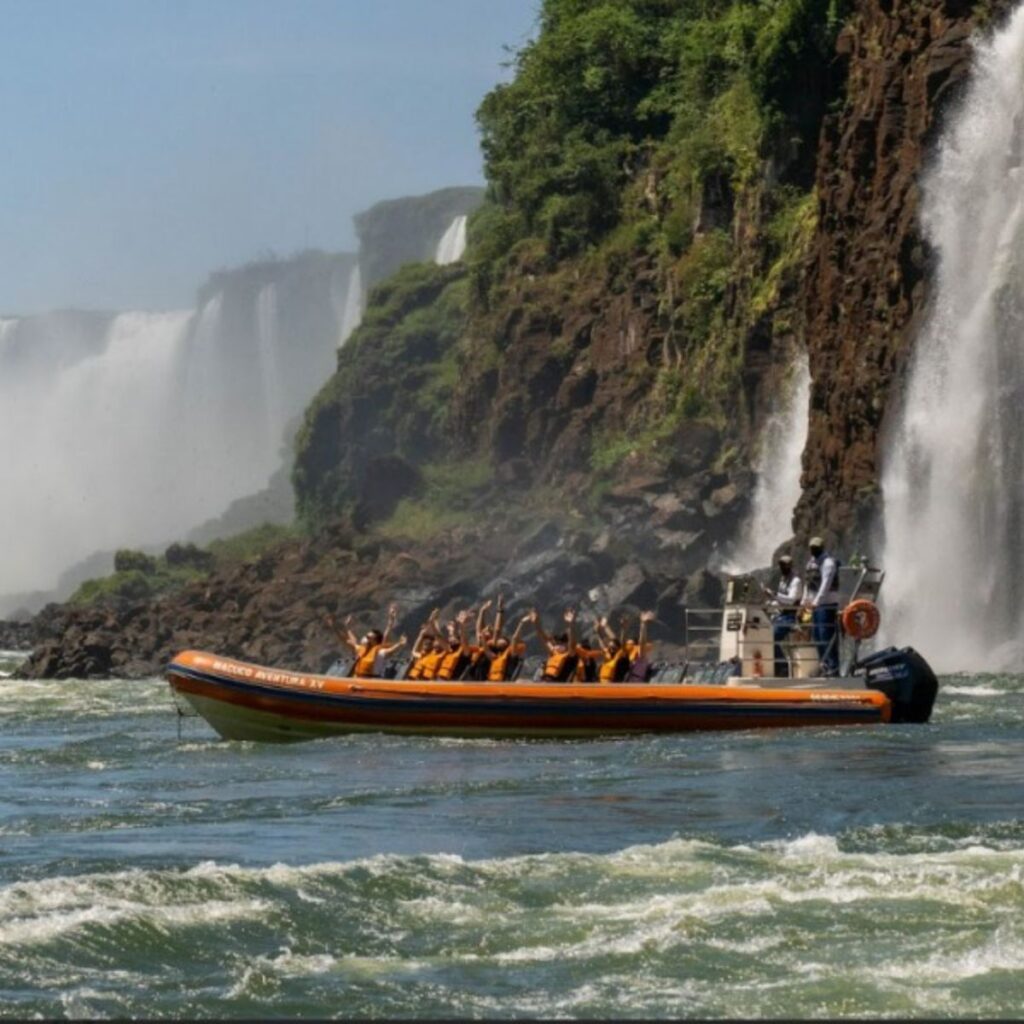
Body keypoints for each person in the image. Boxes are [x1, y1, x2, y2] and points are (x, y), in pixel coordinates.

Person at [323, 603, 407, 678]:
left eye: (369, 637)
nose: (366, 638)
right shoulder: (361, 649)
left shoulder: (380, 652)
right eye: (367, 636)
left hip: (371, 680)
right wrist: (335, 628)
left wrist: (399, 643)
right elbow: (346, 641)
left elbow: (387, 639)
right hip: (357, 680)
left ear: (374, 641)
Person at [804, 536, 840, 676]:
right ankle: (824, 664)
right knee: (817, 636)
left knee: (826, 634)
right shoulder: (811, 563)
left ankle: (833, 666)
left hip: (827, 605)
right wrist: (804, 601)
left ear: (822, 547)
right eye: (812, 547)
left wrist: (816, 601)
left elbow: (826, 584)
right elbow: (808, 584)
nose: (813, 549)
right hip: (815, 606)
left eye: (816, 547)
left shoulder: (828, 563)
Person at [764, 554, 802, 678]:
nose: (781, 567)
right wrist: (770, 603)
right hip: (781, 615)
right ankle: (774, 665)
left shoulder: (796, 581)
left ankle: (783, 667)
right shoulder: (783, 579)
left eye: (783, 565)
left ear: (789, 566)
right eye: (780, 565)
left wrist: (774, 594)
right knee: (764, 633)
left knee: (771, 637)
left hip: (791, 617)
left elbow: (791, 600)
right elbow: (781, 600)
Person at [530, 608, 578, 682]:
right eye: (556, 644)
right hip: (544, 681)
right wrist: (536, 623)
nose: (556, 646)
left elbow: (571, 642)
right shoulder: (553, 652)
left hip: (556, 683)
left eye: (560, 644)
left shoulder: (570, 654)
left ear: (566, 645)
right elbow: (544, 639)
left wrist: (570, 624)